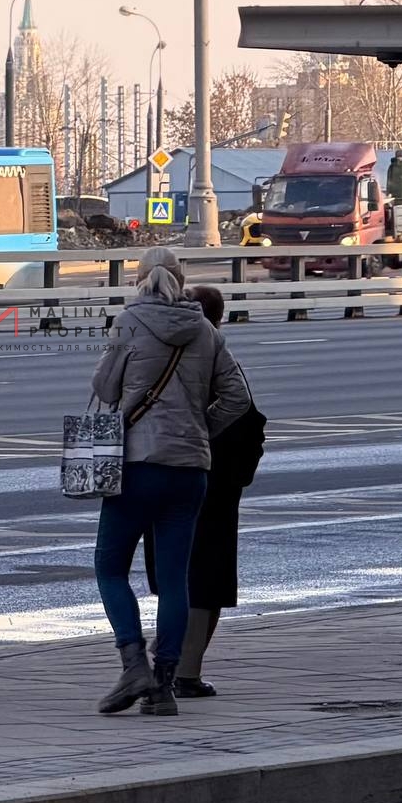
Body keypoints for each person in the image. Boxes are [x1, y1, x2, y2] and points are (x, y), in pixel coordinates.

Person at [89, 246, 251, 717]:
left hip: (137, 465)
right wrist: (200, 428)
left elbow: (104, 388)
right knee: (176, 579)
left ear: (138, 279)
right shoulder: (205, 329)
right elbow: (237, 398)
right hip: (189, 469)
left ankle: (133, 665)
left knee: (110, 568)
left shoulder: (129, 322)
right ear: (180, 280)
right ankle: (163, 686)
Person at [176, 284, 264, 698]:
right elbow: (244, 411)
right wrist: (204, 438)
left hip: (169, 474)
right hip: (215, 481)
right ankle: (185, 670)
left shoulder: (164, 354)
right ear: (220, 318)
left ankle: (168, 663)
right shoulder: (218, 356)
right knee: (207, 577)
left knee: (175, 574)